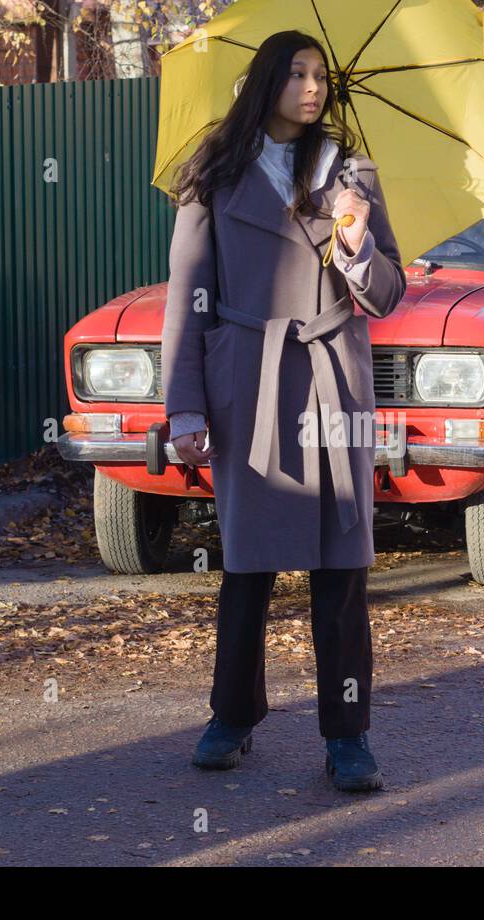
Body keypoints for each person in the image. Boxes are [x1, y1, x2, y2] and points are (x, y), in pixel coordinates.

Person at [160, 30, 407, 791]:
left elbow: (388, 295)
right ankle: (232, 717)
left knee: (342, 571)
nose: (312, 87)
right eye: (297, 73)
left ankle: (348, 737)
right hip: (250, 383)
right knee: (248, 566)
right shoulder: (213, 175)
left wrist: (356, 243)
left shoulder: (351, 177)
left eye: (320, 76)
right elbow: (186, 302)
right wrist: (184, 410)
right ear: (267, 79)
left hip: (334, 379)